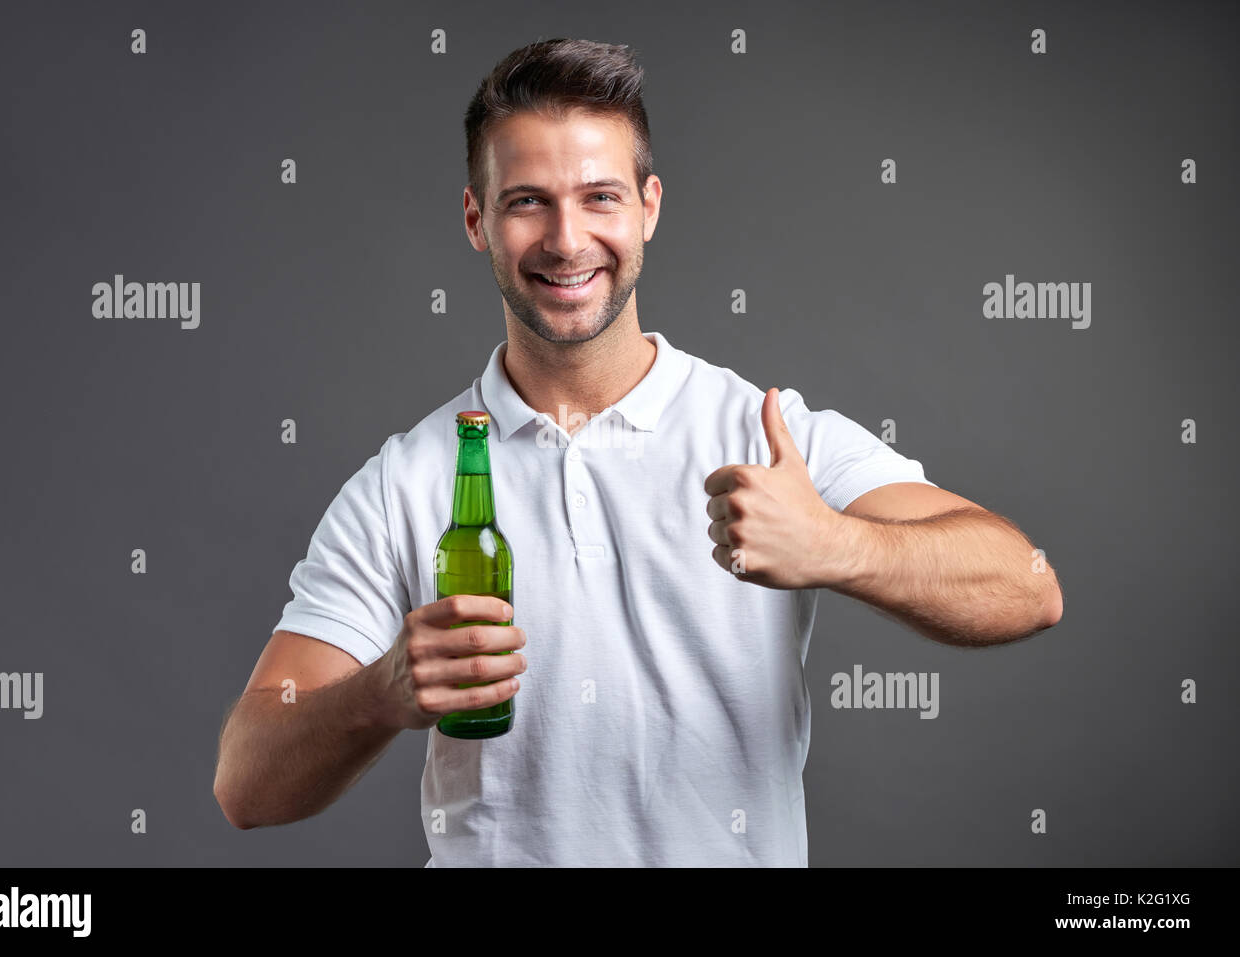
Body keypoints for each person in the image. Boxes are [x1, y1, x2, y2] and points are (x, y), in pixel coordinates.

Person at [213, 38, 1063, 866]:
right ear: (477, 219)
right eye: (526, 202)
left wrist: (836, 546)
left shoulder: (766, 433)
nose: (566, 239)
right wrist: (381, 693)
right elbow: (244, 783)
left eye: (600, 197)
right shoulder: (408, 481)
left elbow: (1027, 587)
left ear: (649, 206)